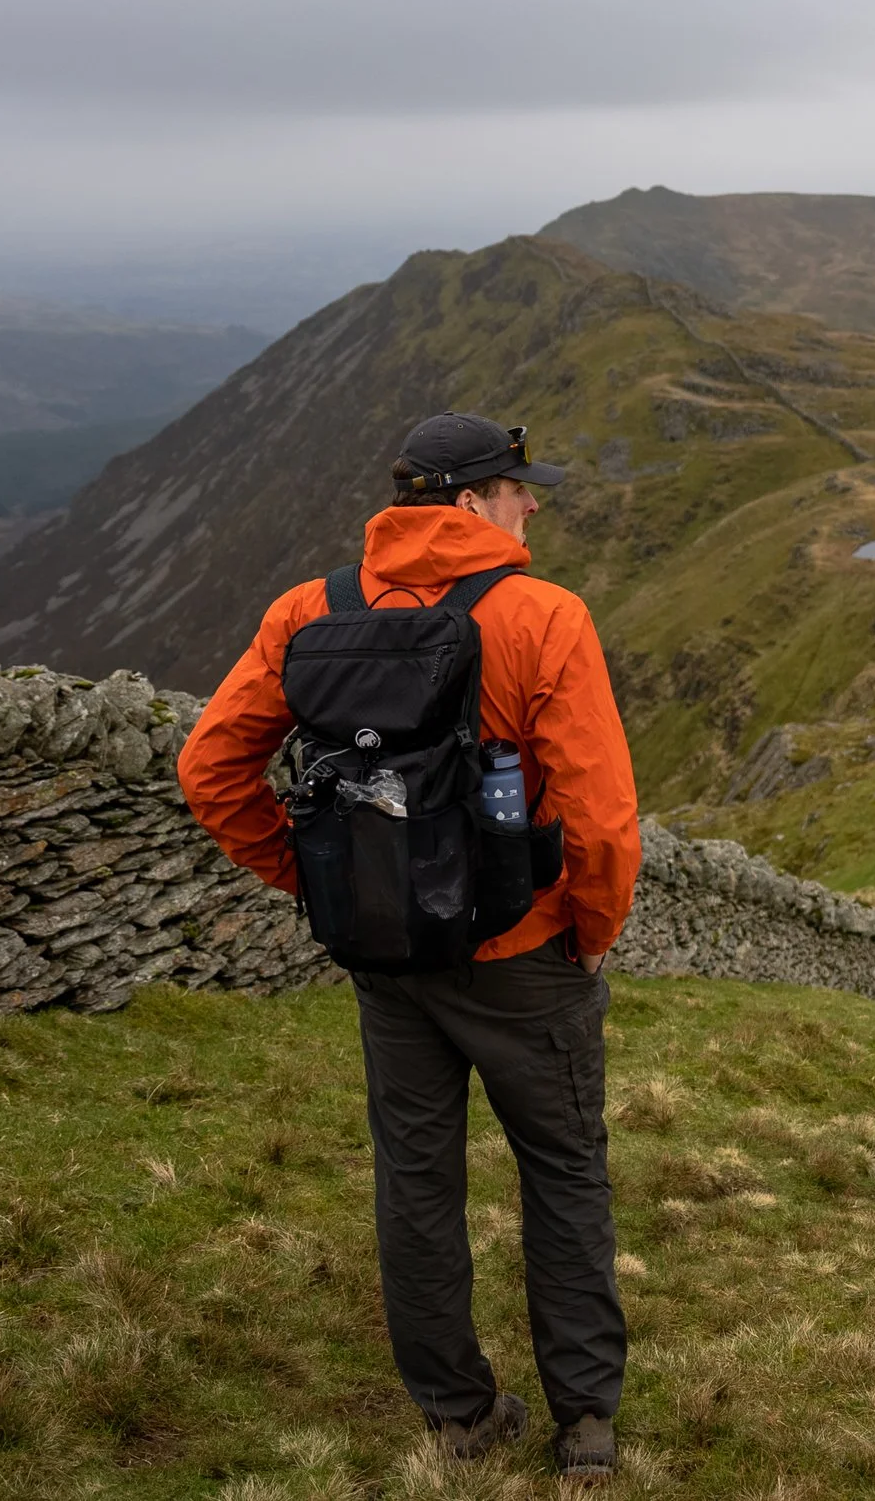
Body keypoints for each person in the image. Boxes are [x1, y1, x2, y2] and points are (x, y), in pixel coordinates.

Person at [178, 413, 640, 1481]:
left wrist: (318, 879)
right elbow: (603, 819)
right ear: (471, 500)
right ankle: (586, 1426)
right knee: (565, 1170)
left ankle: (459, 1414)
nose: (534, 503)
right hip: (524, 952)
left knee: (416, 1177)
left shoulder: (310, 610)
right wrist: (589, 931)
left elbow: (211, 766)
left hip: (385, 957)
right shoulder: (543, 616)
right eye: (521, 488)